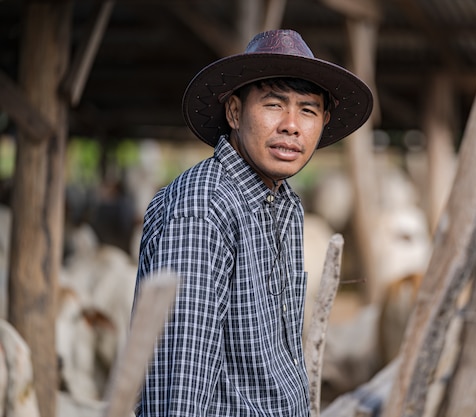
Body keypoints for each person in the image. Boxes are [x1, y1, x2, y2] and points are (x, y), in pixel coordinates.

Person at [133, 29, 373, 416]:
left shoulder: (283, 204)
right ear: (234, 111)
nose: (292, 125)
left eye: (308, 110)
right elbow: (178, 385)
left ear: (323, 121)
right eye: (274, 105)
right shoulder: (205, 205)